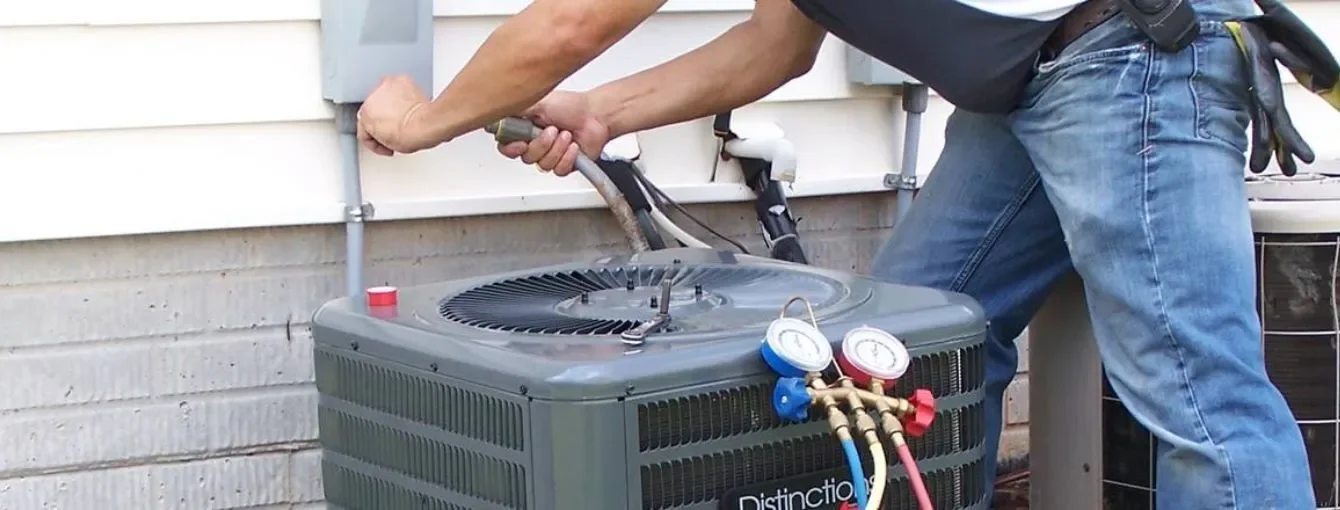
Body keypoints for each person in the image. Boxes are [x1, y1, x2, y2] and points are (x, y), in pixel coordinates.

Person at [354, 0, 1330, 507]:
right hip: (1038, 84)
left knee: (1198, 399)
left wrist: (424, 122)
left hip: (1132, 59)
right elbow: (774, 48)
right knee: (915, 356)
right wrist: (599, 114)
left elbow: (568, 24)